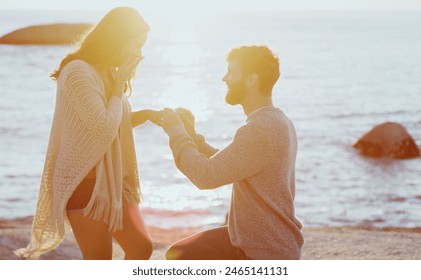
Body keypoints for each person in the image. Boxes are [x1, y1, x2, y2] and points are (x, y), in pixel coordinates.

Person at [14, 7, 160, 260]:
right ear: (116, 39)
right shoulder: (78, 72)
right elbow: (103, 128)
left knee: (141, 247)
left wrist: (149, 115)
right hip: (85, 183)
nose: (139, 54)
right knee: (99, 261)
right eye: (136, 45)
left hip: (113, 183)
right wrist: (118, 86)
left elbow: (112, 124)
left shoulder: (108, 74)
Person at [160, 45, 304, 260]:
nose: (224, 78)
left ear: (251, 79)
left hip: (262, 249)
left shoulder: (260, 128)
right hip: (260, 240)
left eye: (231, 71)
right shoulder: (277, 121)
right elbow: (234, 164)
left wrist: (175, 130)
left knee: (179, 257)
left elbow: (205, 176)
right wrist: (192, 136)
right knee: (180, 253)